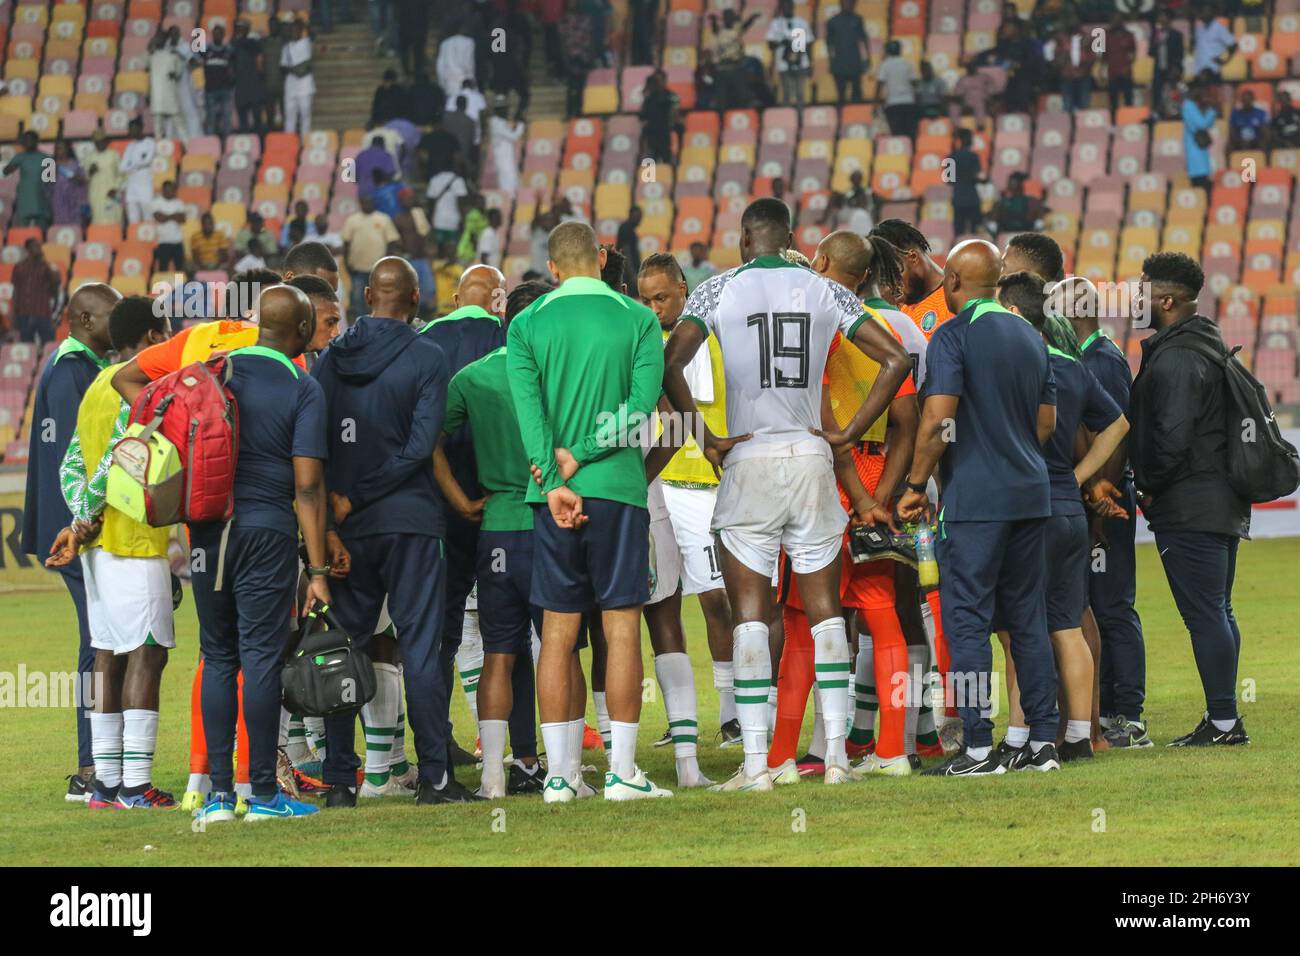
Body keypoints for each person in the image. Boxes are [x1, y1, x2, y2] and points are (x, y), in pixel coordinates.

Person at [662, 199, 909, 791]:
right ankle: (839, 761)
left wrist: (707, 438)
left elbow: (671, 364)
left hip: (749, 458)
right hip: (812, 459)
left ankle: (756, 766)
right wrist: (848, 431)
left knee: (751, 616)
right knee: (827, 614)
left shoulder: (715, 290)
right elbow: (897, 358)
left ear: (746, 238)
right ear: (792, 238)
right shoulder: (827, 290)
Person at [506, 222, 672, 801]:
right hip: (619, 490)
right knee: (621, 626)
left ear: (552, 268)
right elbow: (641, 406)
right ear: (601, 260)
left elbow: (527, 415)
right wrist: (584, 454)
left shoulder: (526, 323)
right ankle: (624, 774)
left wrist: (554, 478)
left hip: (549, 498)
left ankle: (559, 776)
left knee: (556, 631)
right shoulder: (639, 318)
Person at [312, 258, 478, 805]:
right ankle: (434, 778)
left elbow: (312, 447)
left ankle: (339, 782)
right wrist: (360, 495)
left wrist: (338, 505)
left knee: (344, 650)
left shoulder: (329, 361)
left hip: (345, 532)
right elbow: (419, 449)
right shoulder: (428, 357)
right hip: (410, 524)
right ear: (414, 299)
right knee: (422, 649)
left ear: (365, 295)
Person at [896, 239, 1061, 776]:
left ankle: (977, 748)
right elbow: (1045, 426)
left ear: (953, 286)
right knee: (1028, 620)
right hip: (1032, 496)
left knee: (966, 623)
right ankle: (1042, 743)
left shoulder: (953, 335)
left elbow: (939, 418)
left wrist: (916, 483)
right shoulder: (1032, 337)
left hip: (976, 503)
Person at [179, 285, 329, 824]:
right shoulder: (301, 386)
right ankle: (262, 793)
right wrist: (317, 570)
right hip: (265, 532)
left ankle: (219, 797)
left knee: (218, 656)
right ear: (304, 331)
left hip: (206, 533)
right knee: (261, 659)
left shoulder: (214, 370)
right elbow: (308, 488)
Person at [993, 271, 1128, 767]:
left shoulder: (1012, 362)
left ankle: (1021, 735)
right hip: (1069, 511)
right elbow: (1118, 424)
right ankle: (1077, 734)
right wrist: (1078, 476)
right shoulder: (1073, 366)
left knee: (1017, 629)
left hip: (1029, 510)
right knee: (1068, 625)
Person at [48, 296, 176, 810]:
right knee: (147, 652)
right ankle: (136, 785)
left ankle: (104, 782)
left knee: (107, 655)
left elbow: (71, 465)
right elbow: (122, 454)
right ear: (149, 337)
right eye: (165, 333)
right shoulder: (140, 385)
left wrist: (81, 522)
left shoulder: (97, 384)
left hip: (97, 550)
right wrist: (86, 516)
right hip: (133, 540)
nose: (169, 342)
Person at [1128, 252, 1251, 748]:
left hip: (1191, 502)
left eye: (1143, 292)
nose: (1136, 300)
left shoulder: (1178, 357)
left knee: (1205, 612)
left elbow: (1171, 436)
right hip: (1218, 497)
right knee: (1218, 609)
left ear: (1167, 300)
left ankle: (1224, 722)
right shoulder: (1205, 341)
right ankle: (1222, 718)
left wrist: (1148, 484)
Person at [637, 253, 741, 748]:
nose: (655, 307)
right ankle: (681, 724)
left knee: (715, 601)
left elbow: (681, 421)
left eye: (662, 296)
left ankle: (730, 714)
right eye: (646, 299)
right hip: (661, 490)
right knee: (664, 605)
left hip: (699, 486)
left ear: (683, 288)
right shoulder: (646, 341)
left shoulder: (698, 339)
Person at [22, 283, 119, 802]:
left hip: (77, 532)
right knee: (98, 643)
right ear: (83, 319)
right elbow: (69, 465)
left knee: (102, 640)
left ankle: (101, 759)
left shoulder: (78, 366)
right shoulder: (70, 373)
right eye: (110, 317)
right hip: (75, 536)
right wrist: (81, 528)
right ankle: (90, 765)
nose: (117, 327)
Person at [419, 263, 510, 774]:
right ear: (497, 298)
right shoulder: (512, 335)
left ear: (455, 298)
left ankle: (437, 749)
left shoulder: (424, 340)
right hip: (510, 506)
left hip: (440, 512)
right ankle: (522, 754)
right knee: (515, 632)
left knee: (440, 632)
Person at [1057, 276, 1150, 749]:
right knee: (1096, 605)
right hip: (1096, 500)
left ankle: (1128, 714)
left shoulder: (1102, 359)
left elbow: (1117, 432)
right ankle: (1107, 705)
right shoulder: (1095, 356)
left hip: (1106, 504)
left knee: (1112, 606)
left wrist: (1099, 495)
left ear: (1073, 313)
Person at [870, 219, 952, 338]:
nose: (892, 285)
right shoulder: (902, 309)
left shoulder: (954, 300)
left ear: (913, 257)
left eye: (894, 274)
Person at [341, 196, 401, 319]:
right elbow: (346, 243)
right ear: (360, 203)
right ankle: (361, 324)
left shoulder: (383, 219)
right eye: (364, 202)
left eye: (369, 201)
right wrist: (347, 263)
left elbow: (392, 242)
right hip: (357, 267)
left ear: (373, 202)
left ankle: (380, 321)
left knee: (380, 297)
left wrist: (387, 262)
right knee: (358, 298)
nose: (367, 204)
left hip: (378, 269)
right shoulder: (352, 220)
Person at [710, 2, 761, 110]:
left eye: (730, 16)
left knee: (742, 95)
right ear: (723, 19)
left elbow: (746, 25)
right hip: (722, 68)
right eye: (726, 17)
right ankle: (721, 121)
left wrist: (752, 18)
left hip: (736, 67)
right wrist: (713, 20)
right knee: (721, 98)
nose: (728, 19)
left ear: (733, 18)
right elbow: (714, 29)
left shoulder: (737, 30)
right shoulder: (720, 31)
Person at [11, 240, 62, 344]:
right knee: (27, 345)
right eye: (36, 247)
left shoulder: (45, 266)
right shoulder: (19, 267)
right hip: (24, 313)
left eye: (40, 247)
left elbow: (56, 283)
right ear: (28, 249)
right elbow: (16, 291)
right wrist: (14, 312)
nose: (39, 250)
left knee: (48, 344)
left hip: (43, 313)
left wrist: (54, 310)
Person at [393, 188, 434, 309]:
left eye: (411, 198)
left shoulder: (419, 214)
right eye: (407, 198)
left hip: (422, 256)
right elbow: (396, 241)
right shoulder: (398, 219)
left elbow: (426, 234)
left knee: (428, 289)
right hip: (409, 259)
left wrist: (430, 250)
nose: (410, 200)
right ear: (401, 201)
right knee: (411, 292)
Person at [766, 0, 812, 108]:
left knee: (800, 94)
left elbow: (808, 44)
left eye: (789, 6)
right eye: (784, 6)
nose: (787, 8)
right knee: (786, 95)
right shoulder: (775, 24)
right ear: (781, 8)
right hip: (783, 65)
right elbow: (770, 45)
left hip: (801, 64)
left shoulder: (802, 22)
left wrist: (810, 63)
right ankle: (788, 119)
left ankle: (801, 119)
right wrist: (782, 42)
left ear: (792, 7)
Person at [4, 131, 52, 229]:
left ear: (36, 141)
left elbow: (51, 182)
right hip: (24, 199)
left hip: (41, 199)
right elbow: (5, 172)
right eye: (25, 140)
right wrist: (10, 168)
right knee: (22, 228)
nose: (28, 142)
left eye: (30, 139)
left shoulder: (46, 158)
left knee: (41, 228)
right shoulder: (20, 157)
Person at [826, 0, 869, 104]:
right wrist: (831, 61)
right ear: (840, 4)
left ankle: (856, 117)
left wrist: (867, 57)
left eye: (850, 2)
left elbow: (863, 40)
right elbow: (829, 44)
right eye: (845, 2)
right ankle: (842, 117)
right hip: (839, 64)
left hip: (855, 62)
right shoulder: (832, 21)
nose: (848, 5)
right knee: (841, 95)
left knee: (857, 94)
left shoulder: (858, 20)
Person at [148, 28, 186, 141]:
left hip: (163, 97)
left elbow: (178, 73)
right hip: (163, 97)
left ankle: (188, 149)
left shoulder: (171, 56)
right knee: (175, 127)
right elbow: (178, 73)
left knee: (171, 127)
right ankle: (187, 148)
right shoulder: (154, 56)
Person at [876, 41, 918, 138]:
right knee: (910, 132)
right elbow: (915, 84)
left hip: (893, 103)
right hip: (908, 102)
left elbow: (880, 84)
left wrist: (876, 102)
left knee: (897, 133)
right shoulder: (908, 64)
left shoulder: (885, 65)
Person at [231, 18, 267, 134]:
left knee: (257, 120)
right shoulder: (233, 45)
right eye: (238, 29)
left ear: (247, 30)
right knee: (243, 122)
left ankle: (260, 145)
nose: (240, 31)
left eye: (243, 29)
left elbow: (259, 58)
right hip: (241, 87)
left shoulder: (253, 43)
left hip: (254, 86)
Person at [1050, 24, 1096, 112]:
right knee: (1067, 104)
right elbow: (1056, 57)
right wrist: (1063, 68)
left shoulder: (1086, 38)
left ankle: (1082, 125)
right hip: (1067, 76)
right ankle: (1068, 124)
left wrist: (1085, 69)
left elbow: (1092, 57)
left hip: (1083, 76)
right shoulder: (1061, 39)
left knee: (1084, 104)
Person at [558, 0, 593, 118]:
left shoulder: (585, 20)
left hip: (582, 57)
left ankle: (579, 110)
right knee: (571, 87)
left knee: (581, 87)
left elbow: (588, 38)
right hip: (570, 57)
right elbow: (562, 39)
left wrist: (586, 55)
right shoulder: (564, 20)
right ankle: (570, 112)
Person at [638, 70, 681, 165]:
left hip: (664, 132)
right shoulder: (649, 98)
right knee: (650, 159)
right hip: (652, 134)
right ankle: (649, 179)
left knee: (665, 158)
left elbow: (675, 114)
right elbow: (643, 116)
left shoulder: (670, 96)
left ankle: (668, 176)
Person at [1183, 81, 1219, 191]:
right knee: (1199, 176)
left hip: (1198, 143)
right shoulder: (1189, 105)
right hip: (1194, 144)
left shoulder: (1194, 105)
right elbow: (1202, 124)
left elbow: (1207, 124)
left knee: (1202, 173)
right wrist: (1212, 111)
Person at [281, 19, 315, 134]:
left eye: (297, 30)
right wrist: (296, 69)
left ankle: (304, 143)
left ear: (301, 31)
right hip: (290, 86)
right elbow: (283, 67)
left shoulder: (306, 43)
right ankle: (289, 143)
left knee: (305, 115)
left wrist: (301, 21)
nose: (294, 32)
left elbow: (312, 33)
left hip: (305, 86)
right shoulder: (286, 47)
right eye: (292, 30)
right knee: (290, 116)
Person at [120, 118, 156, 225]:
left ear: (140, 128)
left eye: (133, 129)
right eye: (129, 129)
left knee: (147, 212)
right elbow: (122, 167)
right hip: (132, 182)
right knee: (133, 214)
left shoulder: (150, 143)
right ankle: (134, 238)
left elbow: (147, 161)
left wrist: (132, 164)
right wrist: (136, 164)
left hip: (145, 181)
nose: (131, 132)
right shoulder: (130, 146)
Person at [948, 128, 983, 237]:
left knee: (959, 232)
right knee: (975, 232)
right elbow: (977, 176)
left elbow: (948, 180)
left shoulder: (950, 157)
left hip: (958, 197)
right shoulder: (974, 156)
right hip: (972, 197)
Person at [1150, 11, 1185, 119]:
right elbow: (1150, 53)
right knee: (1157, 93)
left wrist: (1176, 68)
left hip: (1172, 69)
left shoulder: (1176, 35)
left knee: (1173, 93)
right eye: (1160, 18)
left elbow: (1180, 54)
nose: (1161, 20)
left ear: (1169, 20)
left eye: (1163, 17)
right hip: (1159, 69)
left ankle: (1175, 114)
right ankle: (1157, 114)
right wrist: (1155, 42)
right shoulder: (1156, 35)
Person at [202, 23, 235, 137]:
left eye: (220, 34)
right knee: (211, 118)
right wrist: (197, 28)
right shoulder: (205, 50)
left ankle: (226, 143)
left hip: (226, 89)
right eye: (215, 34)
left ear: (223, 35)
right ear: (212, 35)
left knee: (226, 119)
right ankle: (211, 143)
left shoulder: (229, 50)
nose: (217, 36)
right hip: (210, 89)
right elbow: (193, 56)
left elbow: (233, 67)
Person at [149, 180, 187, 275]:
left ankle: (180, 288)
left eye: (171, 190)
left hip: (177, 241)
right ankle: (164, 288)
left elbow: (182, 219)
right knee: (163, 268)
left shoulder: (179, 202)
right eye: (167, 190)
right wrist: (174, 215)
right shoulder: (156, 202)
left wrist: (167, 216)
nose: (170, 192)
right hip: (163, 242)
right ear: (163, 190)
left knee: (179, 269)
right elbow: (159, 218)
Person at [86, 129, 123, 226]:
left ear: (106, 141)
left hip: (112, 192)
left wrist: (115, 188)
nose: (99, 144)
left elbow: (122, 175)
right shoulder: (89, 157)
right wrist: (90, 171)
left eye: (102, 141)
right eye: (97, 142)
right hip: (96, 193)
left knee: (113, 219)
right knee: (98, 219)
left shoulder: (114, 155)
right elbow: (85, 177)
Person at [1192, 4, 1237, 80]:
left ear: (1212, 13)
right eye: (1203, 11)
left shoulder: (1219, 28)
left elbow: (1233, 45)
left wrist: (1225, 60)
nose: (1203, 13)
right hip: (1199, 71)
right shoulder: (1199, 28)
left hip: (1213, 71)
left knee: (1213, 91)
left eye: (1206, 11)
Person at [427, 166, 469, 246]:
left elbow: (431, 203)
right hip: (453, 220)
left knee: (439, 247)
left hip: (438, 220)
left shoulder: (434, 179)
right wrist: (463, 220)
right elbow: (461, 203)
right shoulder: (458, 181)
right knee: (451, 247)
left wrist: (430, 219)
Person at [1103, 14, 1136, 114]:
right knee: (1113, 100)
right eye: (1113, 20)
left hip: (1126, 72)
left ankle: (1129, 118)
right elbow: (1103, 56)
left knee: (1128, 98)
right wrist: (1103, 70)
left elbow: (1133, 53)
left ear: (1122, 21)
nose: (1115, 22)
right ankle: (1114, 121)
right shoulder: (1106, 36)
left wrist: (1128, 65)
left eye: (1117, 20)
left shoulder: (1129, 35)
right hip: (1112, 72)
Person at [488, 103, 524, 193]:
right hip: (503, 157)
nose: (507, 112)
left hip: (506, 155)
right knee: (507, 180)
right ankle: (508, 201)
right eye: (504, 109)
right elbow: (513, 136)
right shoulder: (497, 123)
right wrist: (521, 126)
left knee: (513, 178)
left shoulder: (499, 122)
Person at [50, 141, 88, 227]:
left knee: (75, 227)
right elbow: (47, 185)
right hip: (58, 202)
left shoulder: (76, 164)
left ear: (68, 149)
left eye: (61, 148)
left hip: (74, 201)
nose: (59, 151)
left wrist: (75, 177)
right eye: (57, 148)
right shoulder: (51, 165)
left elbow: (83, 182)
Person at [436, 22, 477, 97]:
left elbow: (440, 65)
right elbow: (469, 64)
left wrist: (441, 82)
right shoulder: (469, 42)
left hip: (449, 81)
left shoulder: (445, 43)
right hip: (465, 82)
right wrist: (472, 79)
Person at [395, 0, 431, 79]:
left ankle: (408, 71)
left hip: (407, 23)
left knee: (407, 50)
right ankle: (414, 71)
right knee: (417, 50)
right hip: (418, 23)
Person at [262, 16, 286, 129]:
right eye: (271, 26)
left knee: (285, 114)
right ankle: (270, 137)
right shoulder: (264, 42)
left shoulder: (285, 42)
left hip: (283, 84)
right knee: (269, 115)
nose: (273, 28)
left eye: (275, 25)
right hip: (268, 84)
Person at [617, 206, 643, 290]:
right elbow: (626, 252)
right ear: (632, 215)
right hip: (627, 274)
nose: (640, 219)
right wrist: (632, 274)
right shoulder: (626, 229)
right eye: (638, 216)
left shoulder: (630, 229)